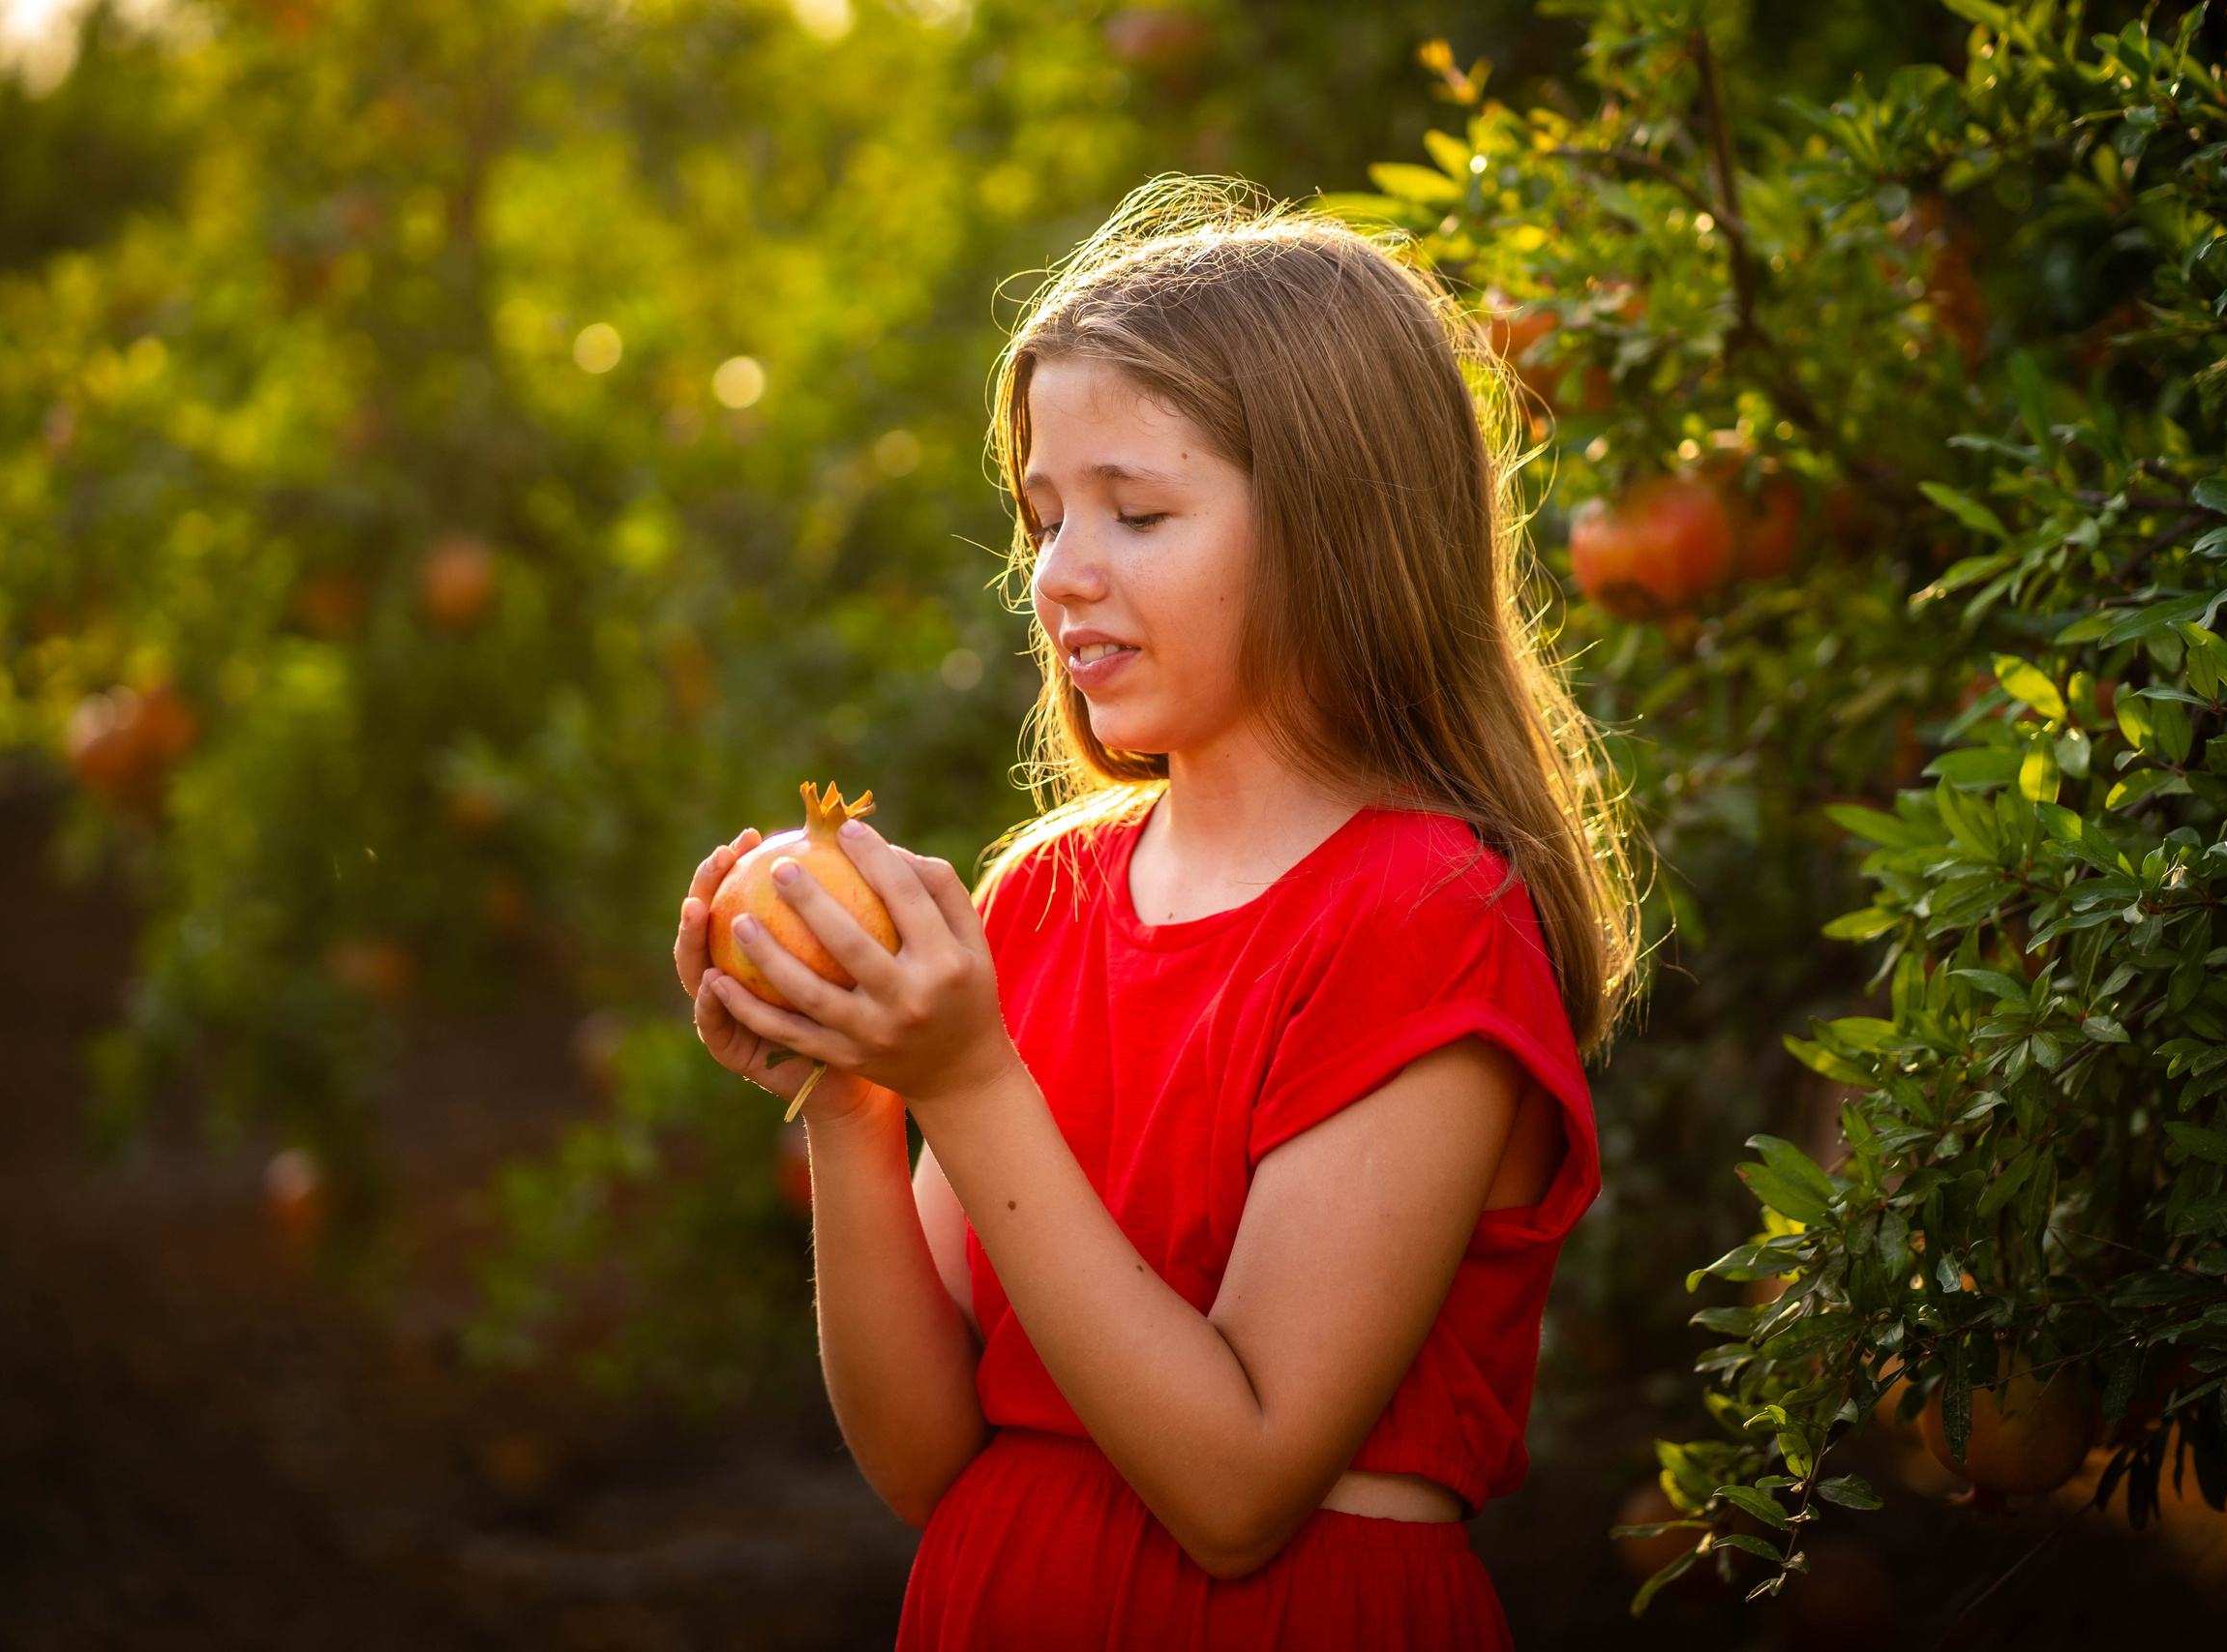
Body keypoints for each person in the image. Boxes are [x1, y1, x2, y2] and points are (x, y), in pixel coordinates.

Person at [673, 178, 1641, 1650]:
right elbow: (923, 1460)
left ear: (1337, 530)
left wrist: (965, 1083)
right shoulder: (1045, 891)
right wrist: (857, 1102)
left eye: (1136, 513)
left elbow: (1238, 1489)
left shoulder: (1426, 911)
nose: (1062, 575)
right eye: (1043, 517)